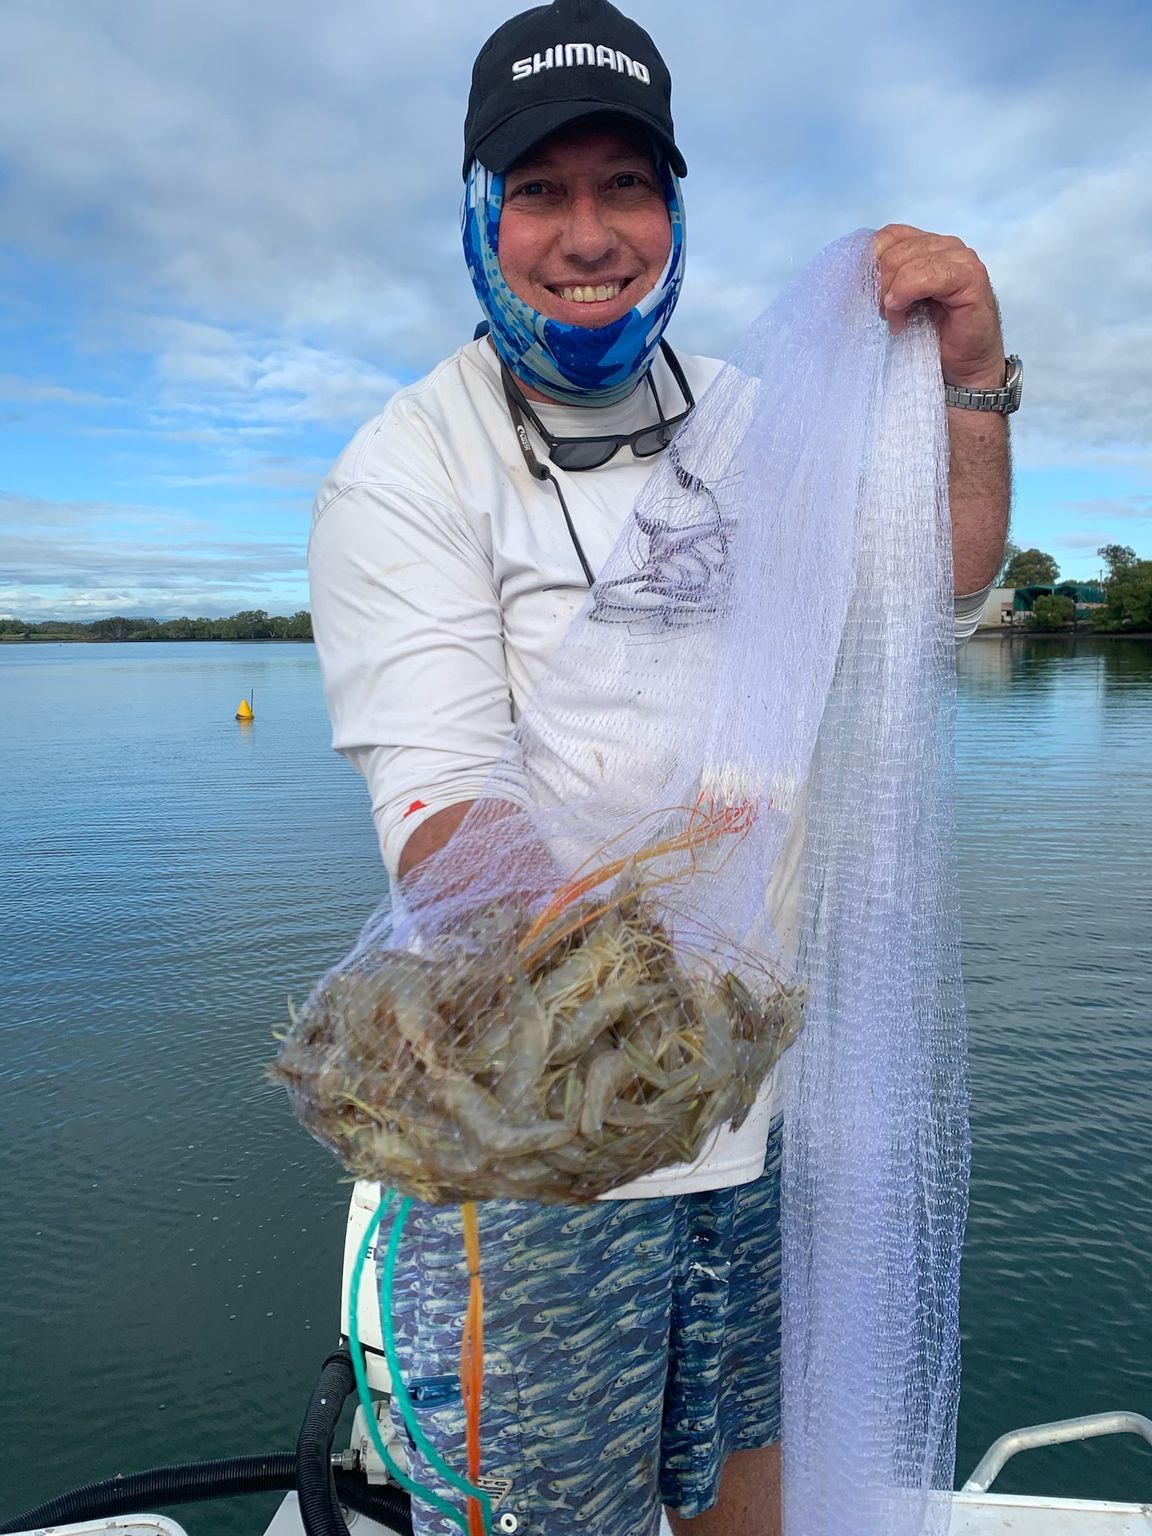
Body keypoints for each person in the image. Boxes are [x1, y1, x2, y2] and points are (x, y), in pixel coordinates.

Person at [308, 3, 1016, 1532]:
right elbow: (450, 824)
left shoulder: (757, 422)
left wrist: (971, 360)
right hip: (535, 1163)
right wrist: (650, 996)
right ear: (483, 216)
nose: (587, 235)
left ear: (673, 209)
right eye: (541, 190)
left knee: (743, 1503)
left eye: (624, 184)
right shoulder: (407, 468)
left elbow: (941, 585)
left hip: (743, 1126)